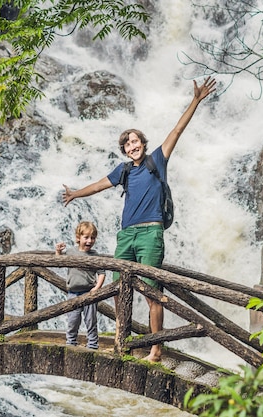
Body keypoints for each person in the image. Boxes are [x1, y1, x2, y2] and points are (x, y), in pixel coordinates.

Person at [62, 77, 217, 362]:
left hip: (150, 233)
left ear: (143, 143)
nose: (132, 145)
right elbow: (98, 185)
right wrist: (75, 194)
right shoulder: (123, 171)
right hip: (126, 235)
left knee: (151, 291)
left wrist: (195, 100)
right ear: (124, 150)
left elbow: (177, 130)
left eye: (135, 141)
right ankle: (124, 340)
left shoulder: (156, 159)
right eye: (127, 143)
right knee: (119, 289)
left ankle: (156, 348)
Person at [55, 221, 106, 350]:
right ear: (78, 238)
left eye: (92, 238)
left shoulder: (95, 256)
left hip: (89, 292)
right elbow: (59, 262)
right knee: (73, 320)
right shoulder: (71, 252)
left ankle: (93, 344)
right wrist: (58, 252)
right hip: (73, 293)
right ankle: (71, 342)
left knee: (90, 320)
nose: (89, 241)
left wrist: (96, 288)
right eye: (86, 237)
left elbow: (101, 273)